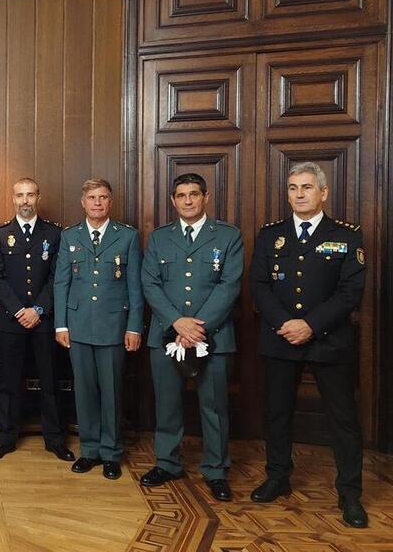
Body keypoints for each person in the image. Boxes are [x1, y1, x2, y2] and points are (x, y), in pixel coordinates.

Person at [249, 162, 368, 528]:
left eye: (306, 187)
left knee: (343, 421)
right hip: (281, 337)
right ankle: (278, 477)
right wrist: (286, 324)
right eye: (292, 188)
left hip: (329, 340)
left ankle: (349, 494)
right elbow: (259, 285)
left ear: (323, 192)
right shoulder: (271, 234)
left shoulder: (347, 235)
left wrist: (311, 325)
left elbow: (351, 292)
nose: (298, 194)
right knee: (278, 413)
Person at [140, 173, 243, 501]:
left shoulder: (228, 236)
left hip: (213, 336)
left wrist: (197, 328)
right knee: (166, 403)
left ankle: (216, 469)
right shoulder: (159, 238)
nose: (187, 200)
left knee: (213, 406)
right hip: (166, 336)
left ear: (205, 197)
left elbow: (230, 286)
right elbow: (150, 284)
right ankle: (167, 463)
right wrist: (176, 323)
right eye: (181, 195)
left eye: (194, 194)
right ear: (173, 200)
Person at [53, 178, 143, 479]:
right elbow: (61, 282)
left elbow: (135, 287)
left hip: (113, 326)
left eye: (103, 197)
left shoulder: (127, 237)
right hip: (78, 327)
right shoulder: (70, 236)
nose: (97, 203)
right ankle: (89, 450)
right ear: (83, 202)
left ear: (110, 202)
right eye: (92, 197)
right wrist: (61, 324)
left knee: (112, 391)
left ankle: (111, 453)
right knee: (85, 391)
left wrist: (134, 328)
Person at [0, 178, 74, 463]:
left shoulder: (54, 233)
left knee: (50, 381)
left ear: (38, 197)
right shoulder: (0, 234)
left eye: (30, 195)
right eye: (20, 195)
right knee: (9, 383)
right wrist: (18, 310)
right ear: (13, 199)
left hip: (44, 320)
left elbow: (57, 276)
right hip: (11, 321)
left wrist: (38, 309)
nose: (25, 201)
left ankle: (55, 438)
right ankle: (7, 436)